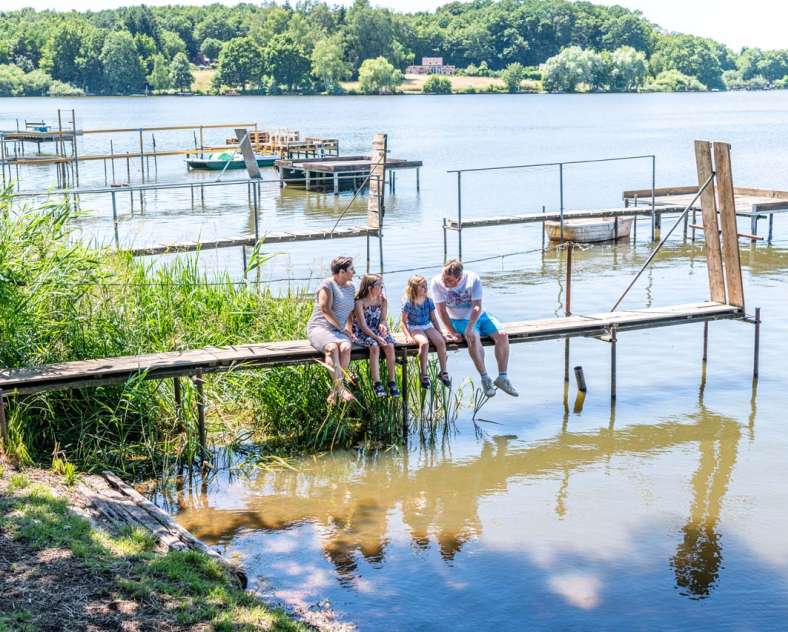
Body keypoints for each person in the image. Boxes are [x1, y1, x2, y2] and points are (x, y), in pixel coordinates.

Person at [431, 259, 518, 398]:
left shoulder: (472, 279)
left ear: (459, 278)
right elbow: (441, 311)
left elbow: (477, 306)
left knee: (502, 334)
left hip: (479, 315)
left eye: (448, 280)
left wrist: (471, 326)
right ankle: (485, 378)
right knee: (472, 337)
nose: (444, 281)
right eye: (443, 277)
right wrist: (453, 331)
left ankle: (502, 378)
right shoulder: (436, 282)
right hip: (458, 319)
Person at [307, 256, 357, 404]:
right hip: (320, 327)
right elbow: (325, 309)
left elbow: (350, 311)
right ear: (341, 272)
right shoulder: (327, 285)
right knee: (332, 348)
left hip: (338, 330)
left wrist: (349, 330)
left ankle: (335, 391)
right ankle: (341, 387)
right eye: (351, 270)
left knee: (346, 347)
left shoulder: (351, 287)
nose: (354, 272)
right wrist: (342, 328)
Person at [352, 274, 400, 398]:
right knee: (374, 347)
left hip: (377, 330)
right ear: (370, 288)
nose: (382, 288)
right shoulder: (359, 302)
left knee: (389, 346)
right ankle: (377, 383)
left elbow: (383, 319)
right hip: (363, 332)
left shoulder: (382, 300)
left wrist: (383, 325)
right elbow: (362, 325)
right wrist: (377, 338)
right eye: (379, 285)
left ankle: (392, 381)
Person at [400, 274, 451, 390]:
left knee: (441, 342)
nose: (426, 288)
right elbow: (403, 322)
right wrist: (408, 335)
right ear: (414, 289)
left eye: (426, 286)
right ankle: (423, 373)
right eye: (422, 286)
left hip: (427, 325)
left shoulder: (428, 301)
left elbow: (433, 319)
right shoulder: (408, 303)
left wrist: (441, 333)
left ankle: (443, 372)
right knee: (424, 343)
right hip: (414, 327)